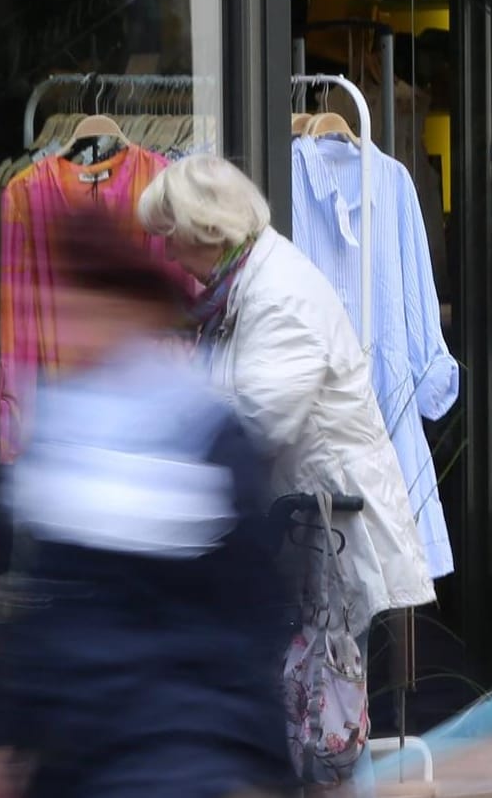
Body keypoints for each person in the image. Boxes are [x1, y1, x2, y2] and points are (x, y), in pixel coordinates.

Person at [0, 205, 293, 798]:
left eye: (93, 310)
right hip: (84, 753)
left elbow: (247, 620)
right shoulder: (63, 429)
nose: (75, 329)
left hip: (179, 752)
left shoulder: (209, 434)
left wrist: (252, 761)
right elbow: (46, 611)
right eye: (68, 311)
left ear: (140, 313)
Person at [137, 154, 435, 654]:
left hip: (325, 539)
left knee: (317, 713)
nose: (166, 252)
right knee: (304, 712)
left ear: (208, 228)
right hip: (301, 539)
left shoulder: (277, 295)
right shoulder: (243, 285)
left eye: (171, 234)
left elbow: (258, 421)